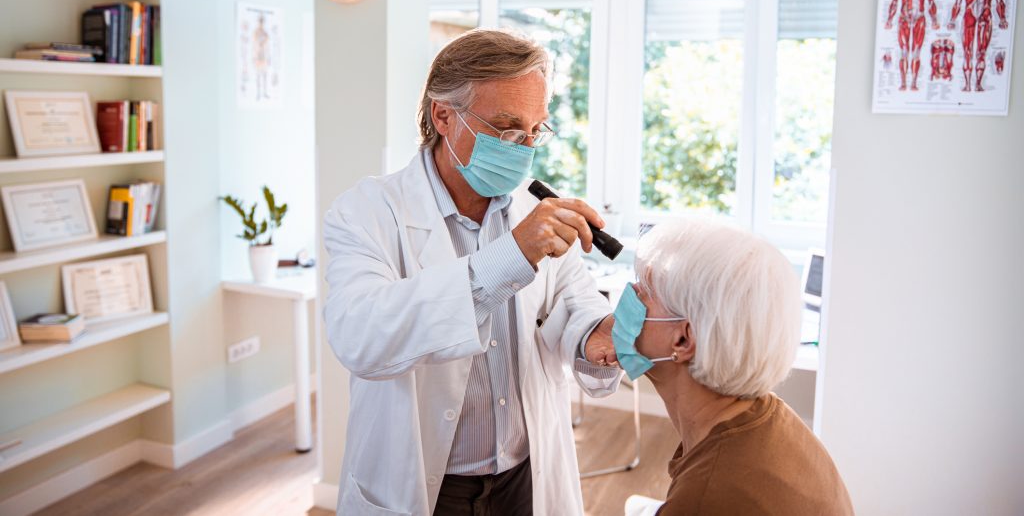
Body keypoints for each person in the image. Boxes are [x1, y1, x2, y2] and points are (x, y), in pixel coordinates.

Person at [322, 29, 623, 516]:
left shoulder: (537, 208)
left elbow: (571, 305)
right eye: (506, 129)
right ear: (443, 115)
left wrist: (600, 335)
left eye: (534, 131)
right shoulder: (367, 212)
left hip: (525, 477)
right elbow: (360, 337)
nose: (523, 149)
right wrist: (512, 256)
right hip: (428, 489)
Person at [616, 219, 853, 516]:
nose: (629, 295)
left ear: (682, 339)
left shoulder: (708, 495)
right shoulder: (764, 416)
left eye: (643, 291)